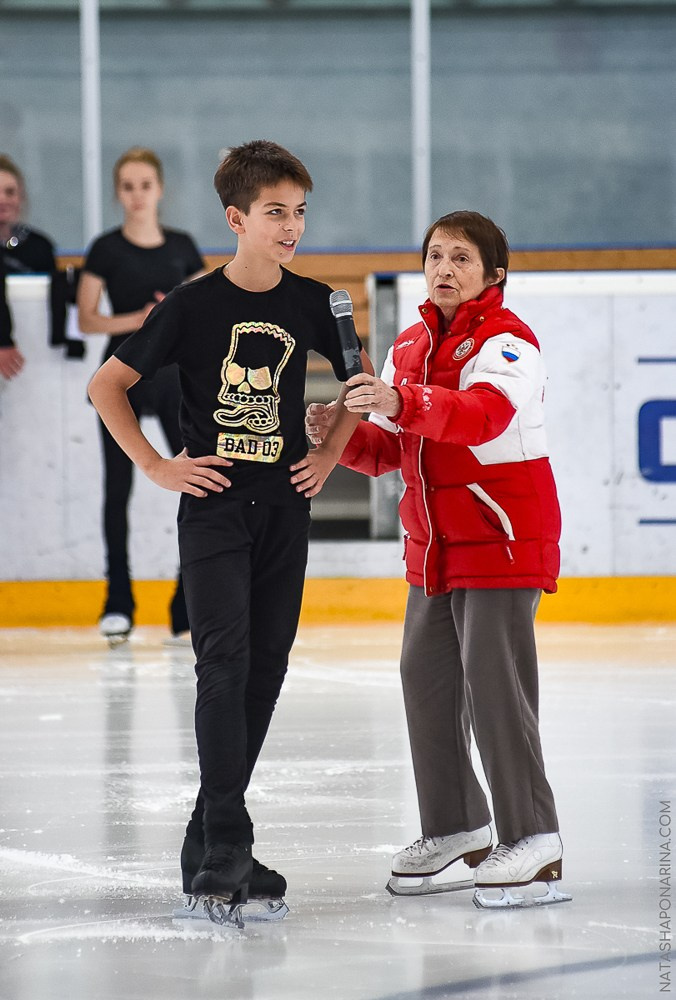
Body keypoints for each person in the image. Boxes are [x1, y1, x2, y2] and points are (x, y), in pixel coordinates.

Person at [88, 139, 372, 919]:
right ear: (236, 218)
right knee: (223, 664)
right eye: (276, 212)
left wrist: (330, 453)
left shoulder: (316, 302)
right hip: (212, 509)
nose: (293, 226)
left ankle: (209, 841)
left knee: (265, 671)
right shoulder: (191, 305)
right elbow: (106, 385)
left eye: (301, 212)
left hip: (285, 508)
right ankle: (227, 837)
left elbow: (360, 384)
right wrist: (155, 464)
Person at [306, 211, 568, 909]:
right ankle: (456, 826)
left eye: (461, 258)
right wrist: (343, 435)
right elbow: (395, 449)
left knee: (494, 687)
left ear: (494, 275)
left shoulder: (510, 344)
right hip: (434, 548)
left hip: (502, 539)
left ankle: (533, 837)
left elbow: (480, 417)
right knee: (424, 681)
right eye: (435, 256)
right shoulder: (411, 345)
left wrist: (402, 399)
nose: (444, 269)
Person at [78, 147, 205, 645]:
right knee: (117, 491)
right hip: (121, 376)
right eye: (128, 186)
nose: (137, 195)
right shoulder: (105, 249)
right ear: (118, 192)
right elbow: (87, 318)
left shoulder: (182, 246)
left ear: (159, 190)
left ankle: (186, 600)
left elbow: (203, 310)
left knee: (193, 480)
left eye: (145, 185)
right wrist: (142, 320)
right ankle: (118, 601)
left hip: (175, 377)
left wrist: (172, 318)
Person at [0, 153, 63, 371]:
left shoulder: (40, 246)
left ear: (21, 197)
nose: (3, 200)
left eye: (10, 192)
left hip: (38, 354)